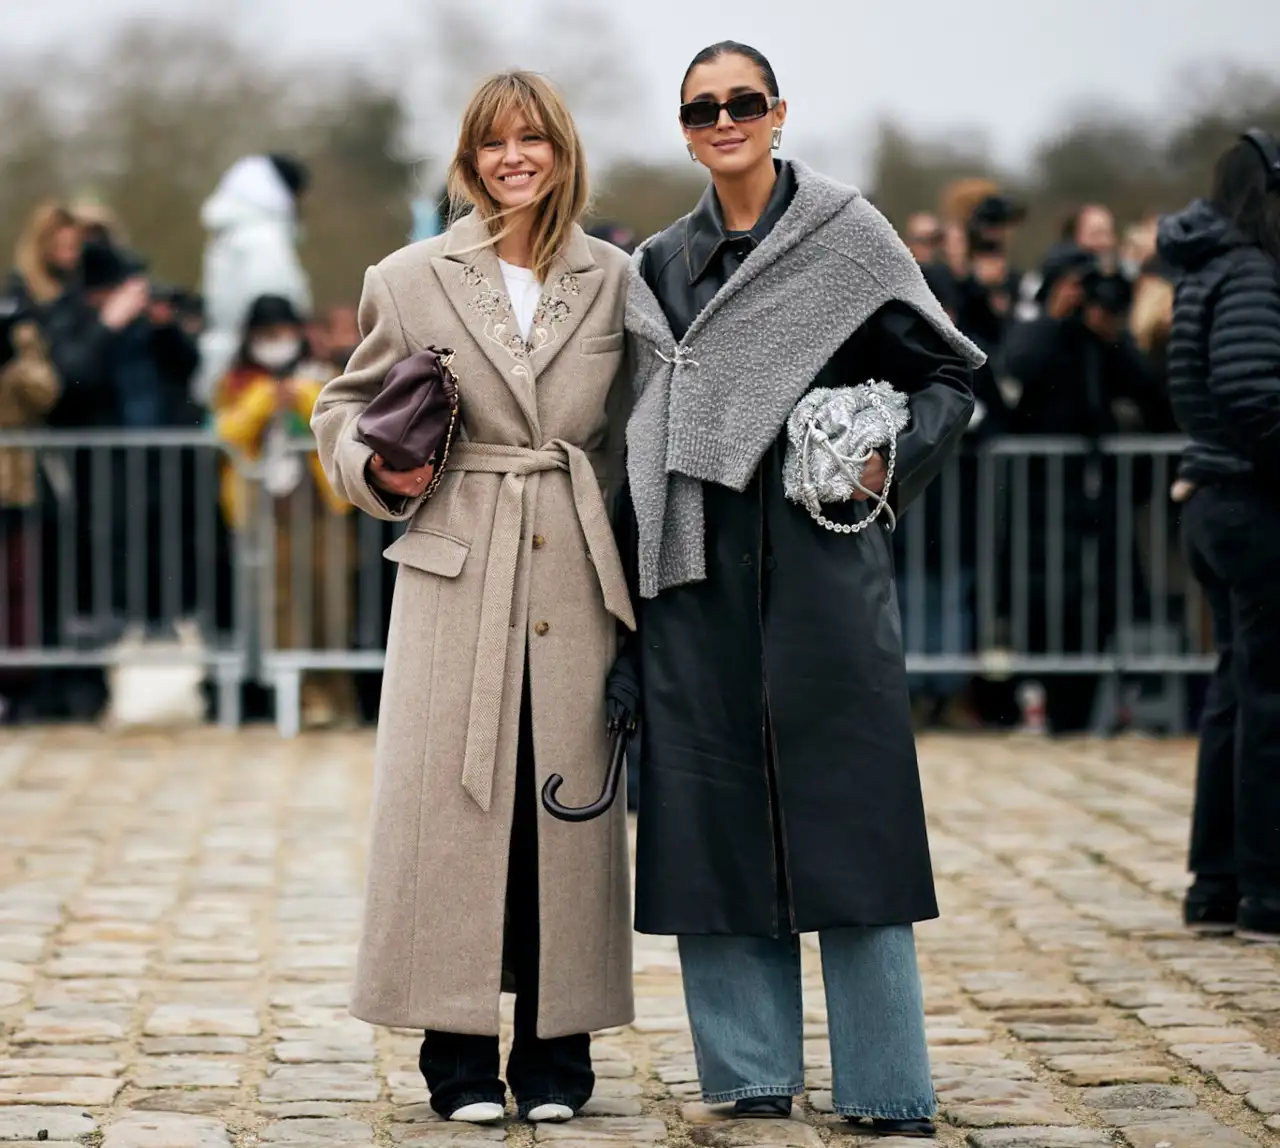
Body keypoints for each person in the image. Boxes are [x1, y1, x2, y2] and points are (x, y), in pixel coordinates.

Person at [619, 41, 983, 1139]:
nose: (722, 119)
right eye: (701, 107)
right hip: (692, 572)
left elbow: (952, 375)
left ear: (777, 112)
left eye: (742, 102)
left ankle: (883, 1083)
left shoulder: (848, 236)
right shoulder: (656, 264)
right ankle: (747, 1073)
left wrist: (888, 460)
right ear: (683, 127)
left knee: (855, 824)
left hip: (821, 569)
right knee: (708, 820)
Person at [311, 70, 636, 1124]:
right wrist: (376, 470)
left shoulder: (619, 280)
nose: (513, 158)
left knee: (566, 816)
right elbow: (343, 408)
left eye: (531, 138)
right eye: (493, 141)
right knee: (457, 815)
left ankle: (556, 1053)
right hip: (453, 569)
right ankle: (455, 1057)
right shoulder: (406, 277)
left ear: (560, 150)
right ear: (469, 155)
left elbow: (637, 430)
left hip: (575, 573)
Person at [1158, 130, 1280, 941]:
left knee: (1238, 695)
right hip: (1249, 497)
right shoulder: (1248, 271)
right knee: (1265, 699)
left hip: (1216, 493)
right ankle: (1265, 891)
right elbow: (1251, 387)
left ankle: (1220, 885)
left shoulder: (1205, 268)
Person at [212, 294, 356, 729]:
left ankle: (341, 699)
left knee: (332, 606)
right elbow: (225, 431)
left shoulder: (323, 376)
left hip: (320, 509)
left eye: (284, 333)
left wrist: (301, 397)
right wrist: (262, 402)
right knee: (282, 608)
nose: (276, 342)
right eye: (266, 335)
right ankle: (300, 700)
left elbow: (342, 420)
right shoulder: (235, 382)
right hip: (265, 512)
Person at [194, 153, 313, 407]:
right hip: (259, 361)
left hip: (229, 354)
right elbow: (273, 299)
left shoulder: (229, 235)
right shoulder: (261, 237)